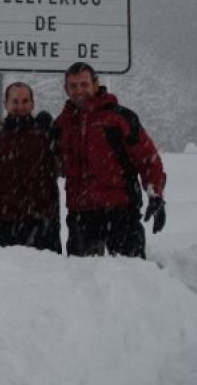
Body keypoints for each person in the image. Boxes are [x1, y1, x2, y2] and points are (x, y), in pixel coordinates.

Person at [54, 62, 166, 259]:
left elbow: (147, 159)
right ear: (66, 89)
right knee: (82, 283)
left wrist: (155, 194)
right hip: (81, 215)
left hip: (121, 211)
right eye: (73, 86)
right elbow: (50, 163)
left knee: (133, 278)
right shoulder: (62, 124)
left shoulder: (120, 118)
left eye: (84, 84)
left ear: (95, 85)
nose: (79, 91)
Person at [0, 82, 61, 253]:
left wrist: (55, 132)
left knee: (49, 277)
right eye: (15, 101)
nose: (20, 106)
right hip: (5, 221)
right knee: (8, 275)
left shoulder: (46, 132)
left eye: (25, 101)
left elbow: (63, 163)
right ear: (6, 104)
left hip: (42, 221)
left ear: (32, 104)